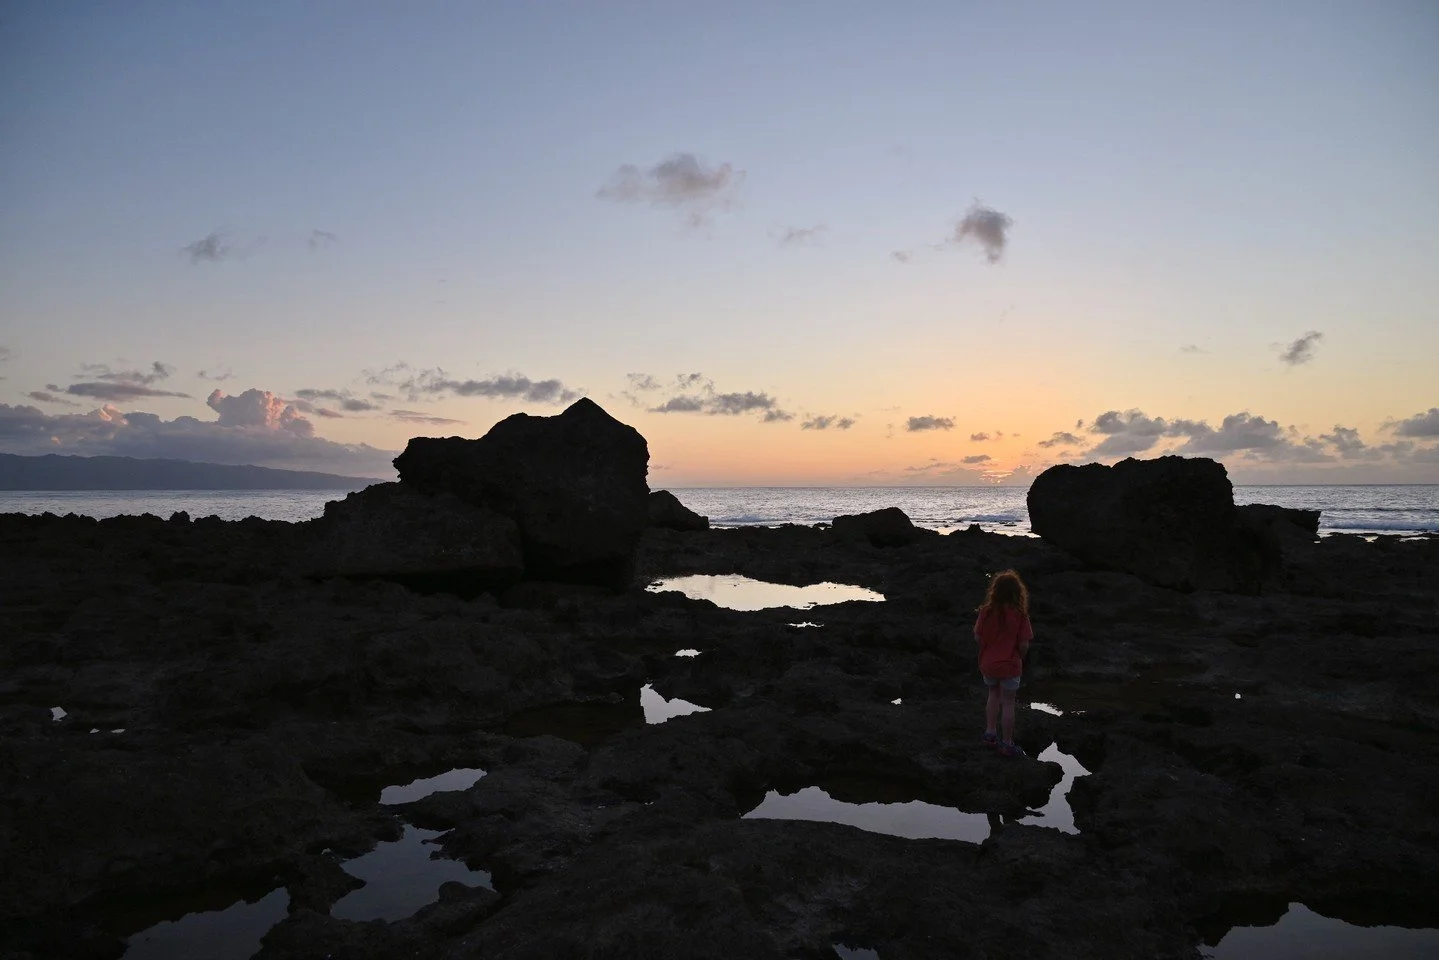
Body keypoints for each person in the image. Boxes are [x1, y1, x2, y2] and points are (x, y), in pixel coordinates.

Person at [974, 569, 1034, 758]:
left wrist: (989, 648)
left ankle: (990, 733)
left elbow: (978, 637)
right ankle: (1007, 743)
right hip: (1010, 664)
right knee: (1008, 703)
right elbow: (1024, 644)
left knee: (993, 695)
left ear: (995, 591)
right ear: (1018, 592)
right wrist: (1019, 656)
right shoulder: (1020, 614)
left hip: (988, 663)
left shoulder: (985, 612)